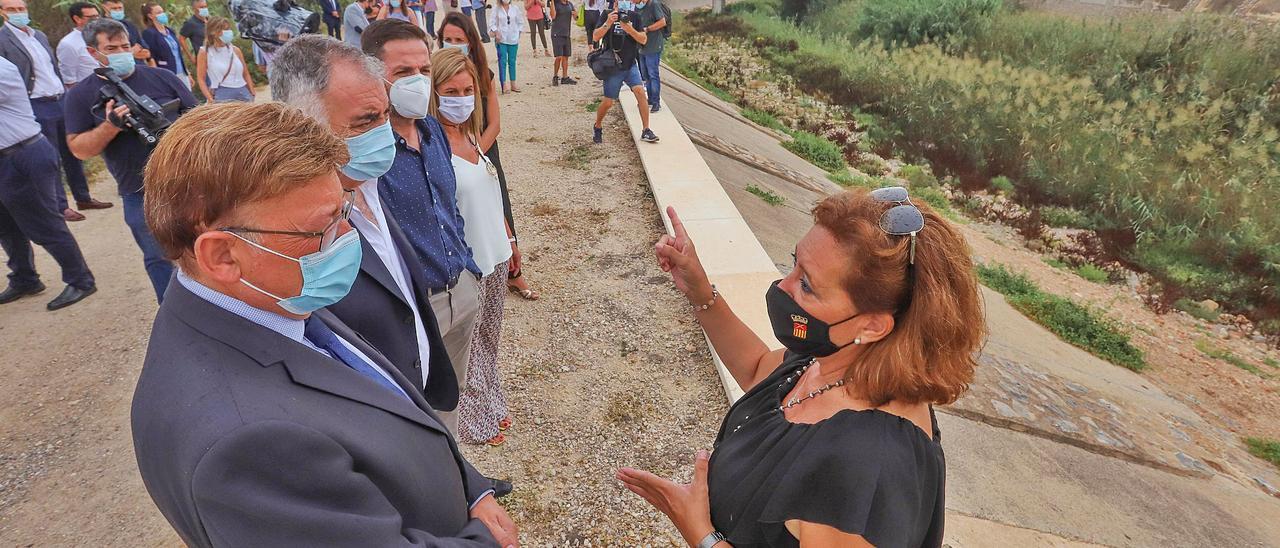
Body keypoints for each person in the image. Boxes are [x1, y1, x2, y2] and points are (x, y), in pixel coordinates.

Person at [131, 101, 518, 548]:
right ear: (222, 256)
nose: (348, 239)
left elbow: (391, 401)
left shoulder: (271, 296)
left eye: (345, 210)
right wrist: (484, 540)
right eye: (325, 226)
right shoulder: (247, 445)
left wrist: (470, 488)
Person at [617, 190, 985, 547]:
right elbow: (757, 368)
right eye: (792, 264)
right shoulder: (836, 359)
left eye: (807, 285)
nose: (782, 286)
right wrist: (700, 292)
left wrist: (701, 533)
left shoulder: (864, 472)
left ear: (872, 326)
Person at [65, 18, 196, 302]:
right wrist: (110, 125)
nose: (122, 53)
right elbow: (78, 149)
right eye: (111, 48)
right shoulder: (80, 96)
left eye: (125, 46)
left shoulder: (164, 78)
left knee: (209, 247)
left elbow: (200, 119)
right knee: (159, 258)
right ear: (92, 53)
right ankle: (174, 317)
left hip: (191, 182)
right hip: (139, 192)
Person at [430, 47, 519, 446]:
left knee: (489, 339)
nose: (462, 98)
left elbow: (490, 189)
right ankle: (472, 420)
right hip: (471, 265)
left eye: (468, 89)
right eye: (452, 90)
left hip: (497, 255)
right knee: (468, 348)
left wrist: (510, 239)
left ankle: (491, 403)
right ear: (435, 92)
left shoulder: (470, 134)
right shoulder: (433, 150)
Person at [438, 13, 538, 300]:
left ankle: (513, 272)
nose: (454, 44)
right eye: (449, 39)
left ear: (471, 40)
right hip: (458, 153)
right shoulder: (436, 76)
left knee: (499, 207)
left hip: (481, 150)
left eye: (460, 39)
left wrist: (474, 153)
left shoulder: (484, 74)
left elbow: (494, 123)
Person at [1, 0, 116, 224]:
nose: (18, 13)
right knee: (51, 157)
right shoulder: (3, 40)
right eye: (12, 10)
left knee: (72, 150)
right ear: (2, 13)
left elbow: (52, 68)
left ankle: (83, 197)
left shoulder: (39, 36)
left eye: (21, 8)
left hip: (59, 98)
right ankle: (60, 206)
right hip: (36, 103)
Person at [0, 56, 97, 311]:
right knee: (7, 227)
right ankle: (24, 279)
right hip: (5, 159)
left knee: (44, 224)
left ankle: (81, 280)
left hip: (21, 155)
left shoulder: (3, 68)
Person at [591, 4, 657, 144]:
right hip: (613, 66)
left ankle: (646, 130)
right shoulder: (606, 14)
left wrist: (630, 29)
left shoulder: (634, 17)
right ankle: (598, 125)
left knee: (640, 92)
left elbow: (643, 39)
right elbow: (595, 37)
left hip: (630, 64)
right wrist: (608, 23)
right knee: (608, 102)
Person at [195, 18, 254, 103]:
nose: (229, 32)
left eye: (229, 29)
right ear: (214, 32)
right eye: (225, 30)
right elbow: (201, 79)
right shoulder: (205, 52)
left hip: (243, 93)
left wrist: (252, 92)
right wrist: (210, 99)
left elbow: (246, 73)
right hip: (222, 95)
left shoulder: (235, 50)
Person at [140, 2, 192, 89]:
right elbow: (151, 57)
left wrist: (187, 73)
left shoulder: (170, 31)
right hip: (167, 72)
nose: (162, 14)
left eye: (162, 11)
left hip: (182, 73)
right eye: (158, 13)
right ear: (150, 16)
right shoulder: (149, 33)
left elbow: (177, 54)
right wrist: (157, 77)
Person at [56, 2, 104, 87]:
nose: (96, 20)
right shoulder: (68, 44)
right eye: (91, 17)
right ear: (77, 19)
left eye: (97, 16)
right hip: (88, 91)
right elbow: (69, 80)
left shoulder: (102, 37)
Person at [635, 0, 665, 113]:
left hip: (653, 46)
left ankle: (656, 102)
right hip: (642, 46)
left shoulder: (654, 4)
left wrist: (647, 29)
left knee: (653, 75)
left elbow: (662, 22)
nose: (632, 2)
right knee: (645, 75)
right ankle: (651, 99)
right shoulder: (637, 7)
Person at [101, 0, 152, 66]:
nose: (118, 11)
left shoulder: (129, 25)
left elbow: (146, 51)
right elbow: (109, 54)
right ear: (105, 8)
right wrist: (131, 52)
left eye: (120, 8)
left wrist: (129, 53)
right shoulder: (101, 27)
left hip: (139, 67)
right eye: (114, 8)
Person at [488, 0, 523, 93]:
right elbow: (491, 23)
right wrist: (496, 32)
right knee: (502, 61)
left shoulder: (515, 9)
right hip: (501, 40)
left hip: (513, 39)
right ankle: (504, 84)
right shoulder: (496, 9)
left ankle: (513, 83)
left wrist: (518, 33)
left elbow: (520, 22)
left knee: (512, 61)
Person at [548, 0, 575, 85]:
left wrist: (576, 15)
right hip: (557, 33)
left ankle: (565, 77)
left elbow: (576, 17)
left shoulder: (570, 4)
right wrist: (552, 2)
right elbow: (553, 16)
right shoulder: (556, 4)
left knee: (566, 56)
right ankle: (555, 76)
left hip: (566, 33)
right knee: (558, 56)